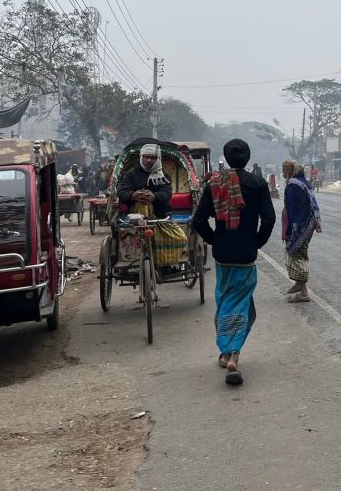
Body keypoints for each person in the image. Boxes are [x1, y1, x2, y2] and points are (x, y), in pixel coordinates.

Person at [192, 139, 275, 386]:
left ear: (227, 158)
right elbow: (269, 219)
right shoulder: (258, 184)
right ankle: (234, 354)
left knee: (226, 300)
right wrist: (256, 242)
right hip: (246, 253)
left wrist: (214, 240)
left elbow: (198, 221)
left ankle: (226, 351)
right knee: (241, 303)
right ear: (247, 158)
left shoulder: (215, 183)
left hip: (223, 254)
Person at [282, 159, 322, 302]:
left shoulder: (292, 186)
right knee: (299, 254)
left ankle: (303, 292)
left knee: (298, 256)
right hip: (309, 224)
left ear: (287, 171)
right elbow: (313, 202)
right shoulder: (303, 182)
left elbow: (293, 211)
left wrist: (290, 230)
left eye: (283, 170)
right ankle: (300, 286)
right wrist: (317, 219)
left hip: (300, 226)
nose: (282, 173)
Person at [117, 144, 172, 219]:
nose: (149, 160)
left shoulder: (164, 176)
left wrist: (155, 196)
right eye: (146, 157)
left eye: (153, 158)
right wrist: (133, 195)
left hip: (160, 216)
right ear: (141, 157)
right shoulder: (130, 175)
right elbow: (122, 192)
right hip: (133, 216)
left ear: (158, 159)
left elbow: (167, 193)